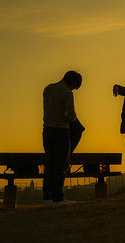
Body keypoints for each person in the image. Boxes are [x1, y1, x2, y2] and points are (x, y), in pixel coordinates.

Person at [42, 70, 82, 207]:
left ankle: (47, 198)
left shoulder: (47, 89)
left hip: (47, 130)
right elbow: (71, 115)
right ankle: (58, 198)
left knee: (49, 165)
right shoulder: (67, 93)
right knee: (61, 165)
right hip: (61, 131)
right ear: (74, 82)